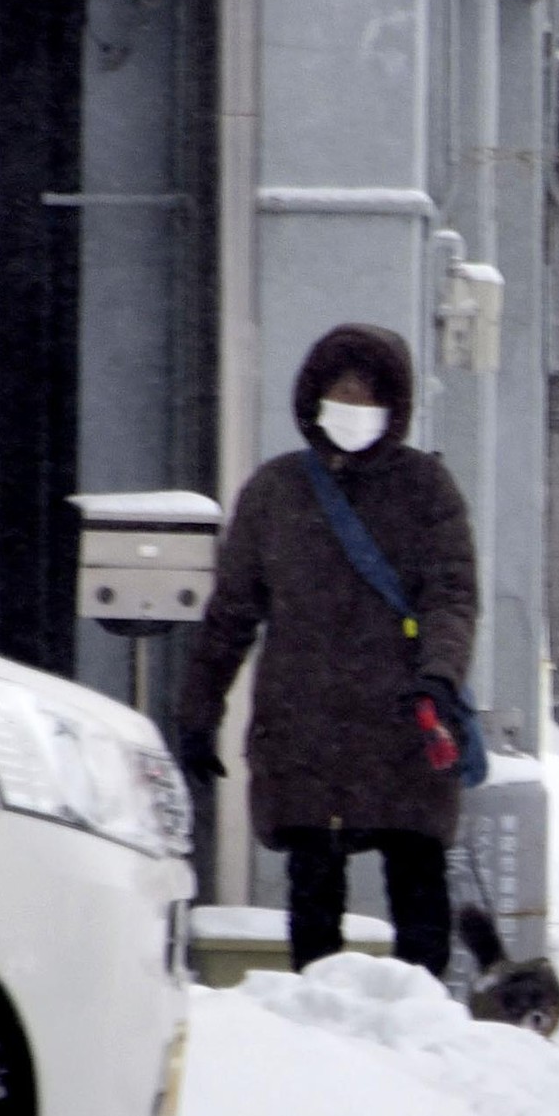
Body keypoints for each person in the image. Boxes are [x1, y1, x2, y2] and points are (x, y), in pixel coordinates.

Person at [177, 325, 481, 978]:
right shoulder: (276, 492)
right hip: (305, 722)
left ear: (393, 405)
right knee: (313, 881)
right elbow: (230, 613)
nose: (352, 407)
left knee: (417, 873)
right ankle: (318, 1030)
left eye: (367, 395)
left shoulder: (427, 490)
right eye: (340, 392)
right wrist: (198, 711)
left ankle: (423, 1024)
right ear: (313, 398)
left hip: (406, 717)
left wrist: (438, 677)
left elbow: (451, 597)